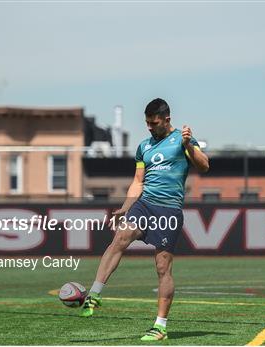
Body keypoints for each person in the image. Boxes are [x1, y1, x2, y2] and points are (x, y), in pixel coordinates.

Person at [81, 98, 209, 341]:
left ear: (166, 119)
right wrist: (125, 207)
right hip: (144, 204)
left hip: (168, 209)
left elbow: (204, 166)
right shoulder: (144, 147)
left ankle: (160, 326)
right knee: (120, 237)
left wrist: (188, 146)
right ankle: (95, 294)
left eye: (154, 123)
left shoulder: (183, 139)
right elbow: (138, 181)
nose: (149, 127)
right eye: (147, 123)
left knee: (162, 267)